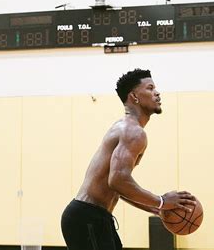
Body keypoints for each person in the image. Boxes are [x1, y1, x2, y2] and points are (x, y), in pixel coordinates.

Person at [61, 68, 197, 250]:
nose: (157, 93)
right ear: (134, 96)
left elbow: (116, 185)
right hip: (88, 217)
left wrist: (155, 208)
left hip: (92, 217)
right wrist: (162, 201)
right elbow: (118, 180)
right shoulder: (133, 132)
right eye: (150, 88)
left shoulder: (126, 128)